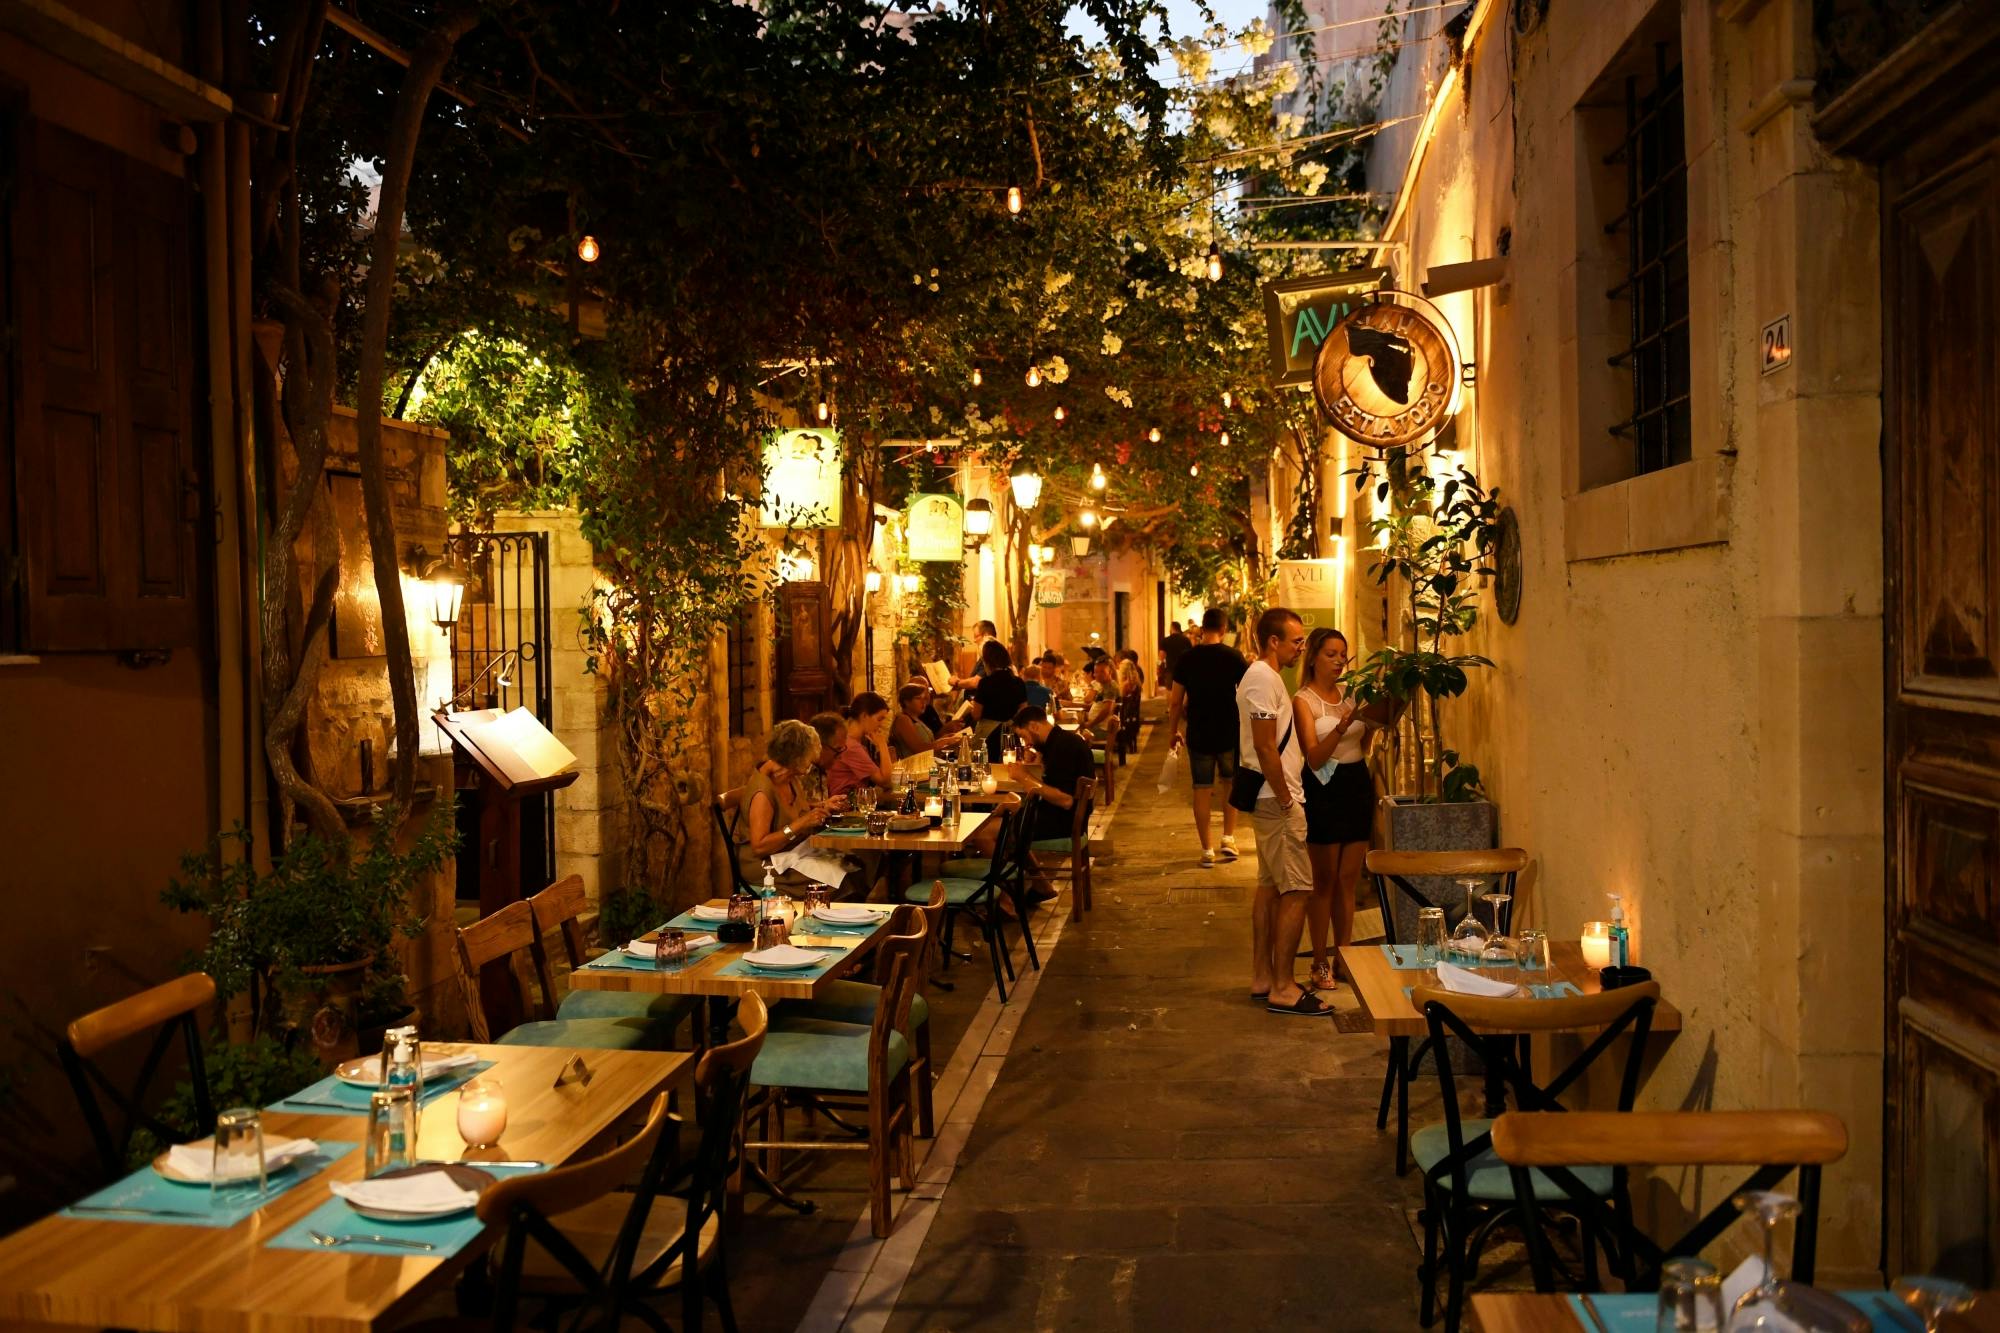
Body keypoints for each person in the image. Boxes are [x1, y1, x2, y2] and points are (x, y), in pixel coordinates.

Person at [1239, 606, 1325, 1017]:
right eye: (1295, 640)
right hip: (1278, 799)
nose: (1300, 647)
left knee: (1271, 886)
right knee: (1297, 890)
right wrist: (1288, 799)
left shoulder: (1267, 678)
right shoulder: (1260, 678)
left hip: (1275, 797)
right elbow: (1263, 745)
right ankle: (1285, 986)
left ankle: (1262, 976)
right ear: (1273, 641)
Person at [1293, 628, 1377, 993]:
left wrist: (1373, 717)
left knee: (1349, 879)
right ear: (1313, 657)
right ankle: (1319, 961)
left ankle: (1346, 957)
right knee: (1323, 881)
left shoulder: (1352, 693)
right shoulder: (1303, 701)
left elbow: (1366, 740)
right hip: (1323, 787)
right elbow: (1313, 757)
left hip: (1356, 783)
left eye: (1342, 654)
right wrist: (1342, 724)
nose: (1340, 660)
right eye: (1331, 653)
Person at [738, 719, 872, 897]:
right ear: (796, 756)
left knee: (854, 864)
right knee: (841, 881)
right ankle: (828, 920)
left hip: (793, 851)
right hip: (766, 865)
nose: (812, 762)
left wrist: (823, 805)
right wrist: (802, 823)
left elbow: (790, 808)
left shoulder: (788, 777)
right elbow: (760, 846)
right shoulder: (763, 792)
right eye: (809, 756)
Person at [1168, 608, 1247, 867]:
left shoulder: (1186, 659)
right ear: (1223, 630)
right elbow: (1247, 694)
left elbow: (1175, 701)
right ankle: (1228, 838)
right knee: (1229, 784)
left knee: (1201, 789)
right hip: (1228, 731)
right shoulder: (1234, 657)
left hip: (1199, 733)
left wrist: (1173, 731)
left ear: (1202, 628)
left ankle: (1206, 851)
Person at [1008, 703, 1096, 899]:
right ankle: (1037, 887)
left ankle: (1005, 898)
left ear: (1034, 726)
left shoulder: (1063, 748)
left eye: (1024, 737)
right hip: (1065, 815)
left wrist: (1024, 777)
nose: (1026, 743)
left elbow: (1065, 800)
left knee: (1001, 832)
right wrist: (1036, 762)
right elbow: (1052, 779)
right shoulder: (1058, 742)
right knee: (1008, 819)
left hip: (1064, 820)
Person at [969, 639, 1028, 759]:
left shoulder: (985, 683)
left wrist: (972, 706)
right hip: (1011, 735)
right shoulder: (1018, 682)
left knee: (988, 768)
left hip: (988, 736)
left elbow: (976, 715)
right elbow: (1023, 711)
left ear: (987, 661)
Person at [828, 691, 895, 796]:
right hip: (845, 807)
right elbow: (885, 781)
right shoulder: (851, 746)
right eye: (879, 719)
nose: (881, 725)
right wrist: (882, 744)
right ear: (864, 716)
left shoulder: (854, 741)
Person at [891, 682, 951, 760]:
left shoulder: (917, 719)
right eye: (918, 698)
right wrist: (943, 742)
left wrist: (945, 739)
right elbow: (919, 748)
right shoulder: (903, 719)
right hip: (913, 768)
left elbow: (929, 744)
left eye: (924, 699)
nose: (923, 702)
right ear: (907, 702)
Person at [951, 620, 999, 689]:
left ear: (986, 636)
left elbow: (976, 683)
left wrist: (956, 682)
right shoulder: (987, 654)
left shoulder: (991, 655)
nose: (974, 640)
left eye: (976, 636)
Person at [1159, 620, 1192, 694]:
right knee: (1183, 691)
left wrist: (1158, 666)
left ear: (1172, 628)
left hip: (1170, 669)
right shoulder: (1186, 640)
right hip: (1184, 669)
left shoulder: (1166, 640)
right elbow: (1190, 655)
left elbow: (1161, 657)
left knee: (1169, 690)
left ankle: (1170, 705)